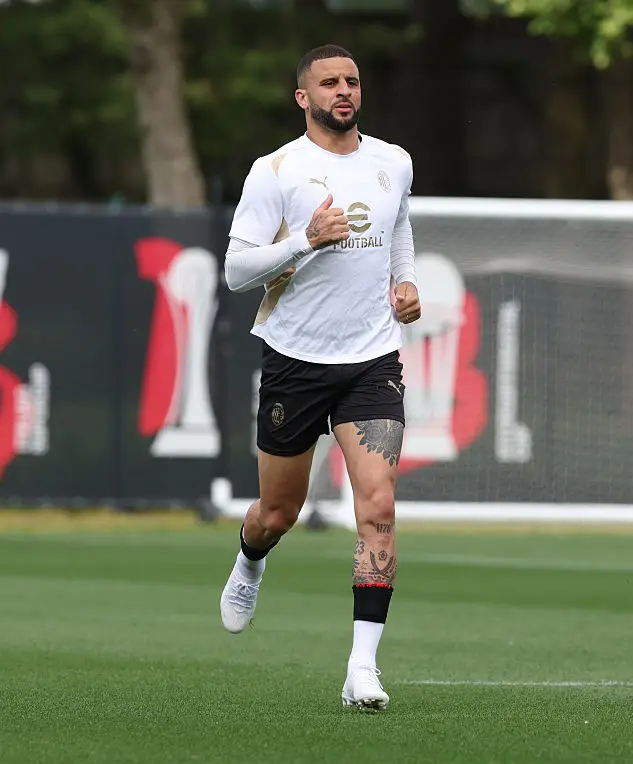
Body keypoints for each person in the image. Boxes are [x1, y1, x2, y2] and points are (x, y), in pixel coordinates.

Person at [218, 44, 421, 711]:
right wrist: (305, 239)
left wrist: (406, 280)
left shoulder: (393, 162)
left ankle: (362, 668)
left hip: (371, 362)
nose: (344, 90)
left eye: (353, 81)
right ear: (302, 97)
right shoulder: (275, 171)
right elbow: (237, 272)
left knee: (380, 510)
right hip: (296, 362)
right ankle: (251, 559)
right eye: (329, 82)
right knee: (278, 513)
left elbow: (400, 231)